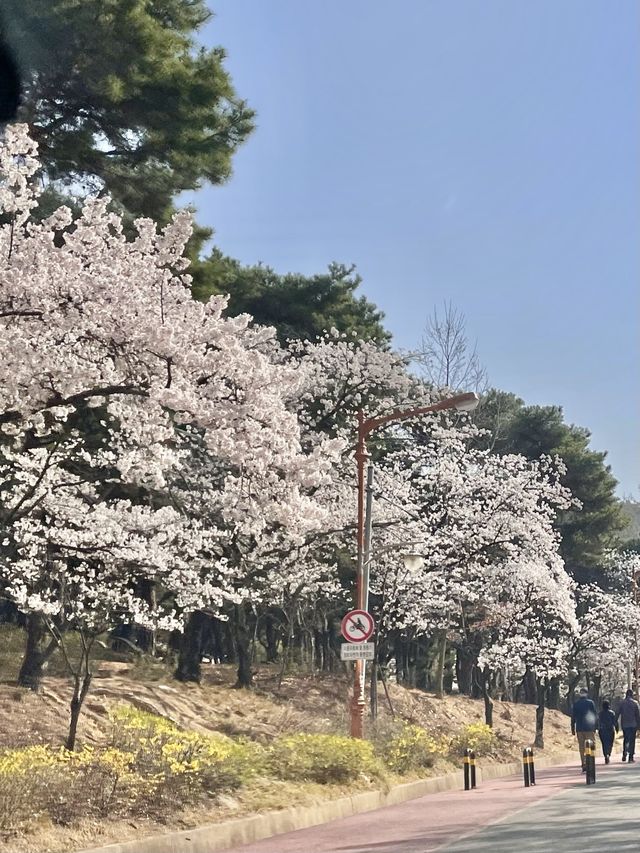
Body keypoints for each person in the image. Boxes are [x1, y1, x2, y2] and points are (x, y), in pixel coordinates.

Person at [571, 687, 598, 771]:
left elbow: (573, 717)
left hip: (579, 728)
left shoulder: (576, 704)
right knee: (591, 745)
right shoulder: (590, 703)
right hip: (589, 728)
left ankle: (583, 763)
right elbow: (594, 715)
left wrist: (572, 727)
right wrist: (596, 726)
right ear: (587, 694)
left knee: (581, 747)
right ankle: (591, 761)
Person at [616, 689, 640, 762]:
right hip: (633, 724)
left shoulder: (621, 703)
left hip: (625, 724)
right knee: (632, 740)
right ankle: (631, 757)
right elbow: (638, 715)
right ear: (632, 695)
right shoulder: (635, 703)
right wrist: (639, 725)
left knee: (626, 739)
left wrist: (615, 722)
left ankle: (624, 752)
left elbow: (617, 713)